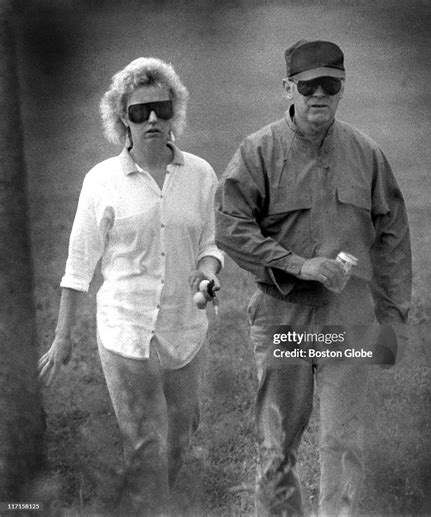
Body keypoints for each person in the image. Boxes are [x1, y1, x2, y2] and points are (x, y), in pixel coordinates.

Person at [215, 39, 411, 516]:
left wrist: (394, 317)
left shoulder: (367, 153)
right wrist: (298, 264)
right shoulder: (257, 151)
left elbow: (392, 236)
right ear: (288, 88)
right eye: (308, 85)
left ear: (342, 89)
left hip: (351, 318)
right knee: (278, 443)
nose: (319, 94)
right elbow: (230, 227)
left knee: (346, 442)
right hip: (284, 315)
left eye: (330, 84)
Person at [38, 57, 224, 513]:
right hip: (125, 330)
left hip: (185, 327)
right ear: (123, 117)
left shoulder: (200, 174)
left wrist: (209, 272)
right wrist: (62, 339)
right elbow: (78, 266)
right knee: (146, 443)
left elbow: (211, 243)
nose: (153, 119)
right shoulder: (101, 181)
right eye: (140, 112)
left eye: (161, 108)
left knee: (178, 438)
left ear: (174, 110)